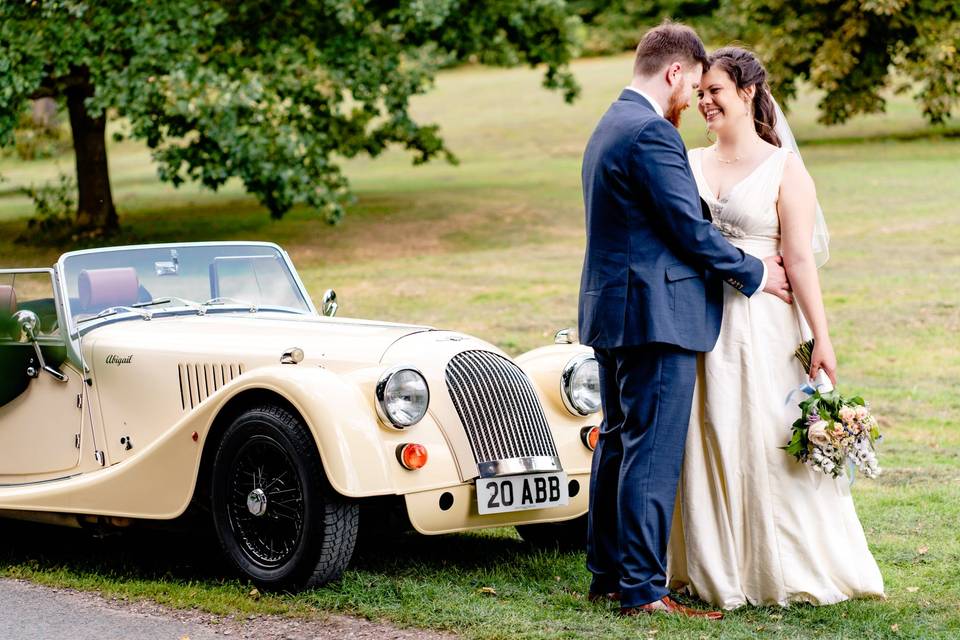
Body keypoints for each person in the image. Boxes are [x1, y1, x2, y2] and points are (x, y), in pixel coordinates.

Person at [577, 24, 791, 619]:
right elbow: (687, 229)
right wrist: (753, 270)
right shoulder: (650, 132)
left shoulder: (609, 123)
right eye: (693, 83)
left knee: (617, 443)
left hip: (612, 311)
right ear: (675, 72)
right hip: (656, 316)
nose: (692, 99)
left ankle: (608, 575)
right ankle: (643, 590)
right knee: (651, 451)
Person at [666, 46, 885, 608]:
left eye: (715, 90)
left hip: (763, 324)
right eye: (701, 92)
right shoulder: (688, 162)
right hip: (699, 317)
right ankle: (711, 563)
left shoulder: (785, 169)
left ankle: (778, 567)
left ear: (747, 91)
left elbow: (801, 262)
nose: (704, 101)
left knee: (763, 435)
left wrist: (823, 338)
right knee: (708, 431)